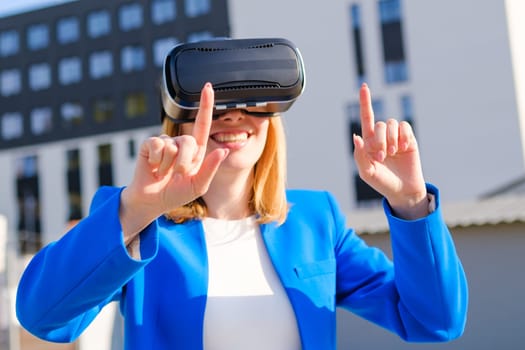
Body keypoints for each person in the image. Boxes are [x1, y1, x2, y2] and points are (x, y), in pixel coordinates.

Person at [16, 40, 467, 349]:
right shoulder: (140, 223)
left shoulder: (316, 221)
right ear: (179, 124)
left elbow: (434, 320)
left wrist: (410, 204)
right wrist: (136, 209)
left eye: (252, 102)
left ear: (274, 122)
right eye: (214, 105)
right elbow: (42, 315)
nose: (232, 116)